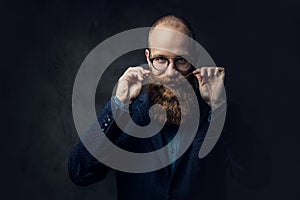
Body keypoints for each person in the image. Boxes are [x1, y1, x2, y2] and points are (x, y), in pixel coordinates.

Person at [68, 15, 267, 200]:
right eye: (161, 59)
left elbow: (257, 177)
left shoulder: (217, 113)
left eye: (181, 60)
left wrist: (219, 107)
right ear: (148, 58)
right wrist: (117, 105)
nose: (171, 73)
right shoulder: (126, 113)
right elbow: (79, 172)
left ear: (194, 58)